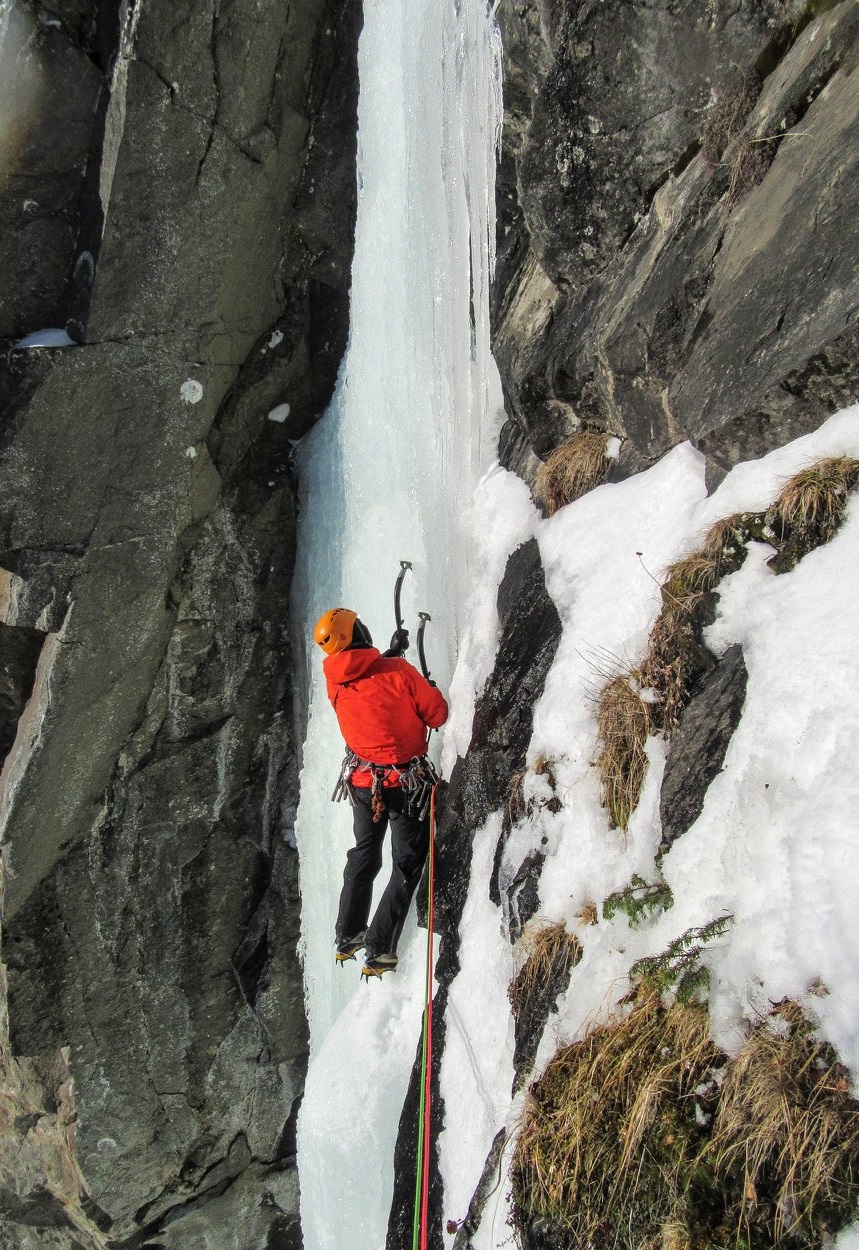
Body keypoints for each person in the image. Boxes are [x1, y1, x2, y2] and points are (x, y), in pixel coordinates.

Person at [313, 607, 448, 977]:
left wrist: (386, 657)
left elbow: (365, 681)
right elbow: (437, 715)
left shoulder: (333, 682)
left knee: (364, 855)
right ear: (358, 630)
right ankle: (378, 948)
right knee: (406, 862)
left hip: (361, 783)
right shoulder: (400, 674)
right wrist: (423, 685)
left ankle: (347, 933)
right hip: (405, 786)